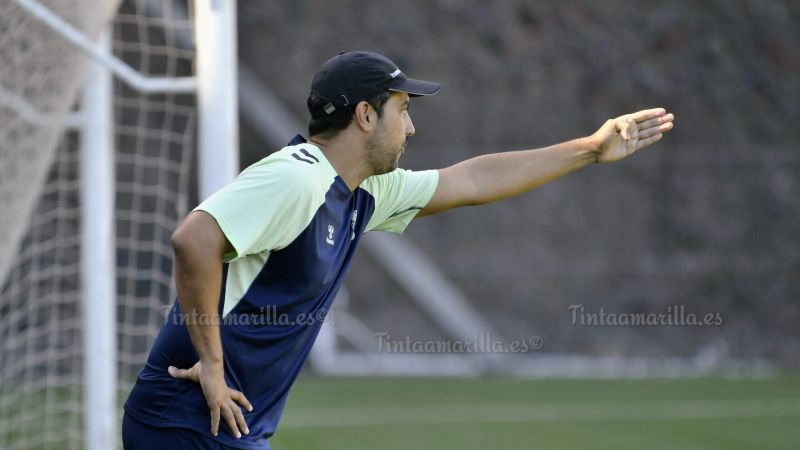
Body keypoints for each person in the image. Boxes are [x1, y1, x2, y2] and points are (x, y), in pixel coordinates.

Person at [122, 50, 674, 449]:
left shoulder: (363, 191)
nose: (410, 128)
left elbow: (472, 181)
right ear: (366, 115)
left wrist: (591, 149)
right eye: (403, 109)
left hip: (225, 426)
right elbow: (193, 239)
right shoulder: (299, 178)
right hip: (186, 420)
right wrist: (212, 364)